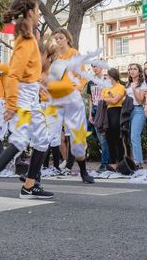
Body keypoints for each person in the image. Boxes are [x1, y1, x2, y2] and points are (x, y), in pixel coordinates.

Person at [0, 0, 53, 206]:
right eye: (36, 10)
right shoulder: (26, 41)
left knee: (43, 140)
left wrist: (40, 82)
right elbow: (14, 75)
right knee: (19, 139)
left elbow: (19, 71)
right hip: (23, 96)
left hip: (30, 95)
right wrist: (11, 105)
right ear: (29, 12)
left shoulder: (28, 38)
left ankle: (29, 186)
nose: (38, 14)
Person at [39, 36, 95, 183]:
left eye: (60, 38)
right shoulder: (49, 62)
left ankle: (83, 172)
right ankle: (34, 175)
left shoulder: (67, 59)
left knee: (77, 139)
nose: (58, 41)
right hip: (55, 102)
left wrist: (78, 87)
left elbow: (78, 77)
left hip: (71, 100)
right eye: (55, 39)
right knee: (46, 135)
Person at [86, 61, 110, 172]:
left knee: (103, 137)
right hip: (95, 110)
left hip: (104, 109)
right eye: (93, 66)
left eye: (97, 66)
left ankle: (105, 163)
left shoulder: (107, 80)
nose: (95, 68)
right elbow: (90, 99)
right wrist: (90, 114)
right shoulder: (91, 82)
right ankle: (106, 160)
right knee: (99, 138)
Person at [102, 68, 126, 171]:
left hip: (117, 112)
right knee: (109, 139)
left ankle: (120, 162)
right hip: (107, 114)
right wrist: (110, 100)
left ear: (112, 77)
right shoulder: (105, 88)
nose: (106, 78)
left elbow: (116, 100)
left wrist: (109, 100)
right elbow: (102, 100)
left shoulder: (120, 87)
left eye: (107, 76)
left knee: (118, 139)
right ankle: (112, 163)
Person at [125, 63, 147, 168]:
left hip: (138, 111)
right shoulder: (127, 84)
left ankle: (138, 162)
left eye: (134, 69)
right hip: (128, 112)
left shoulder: (142, 84)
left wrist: (134, 89)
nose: (132, 71)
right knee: (130, 137)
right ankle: (134, 161)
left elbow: (140, 100)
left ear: (139, 71)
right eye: (130, 69)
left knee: (135, 136)